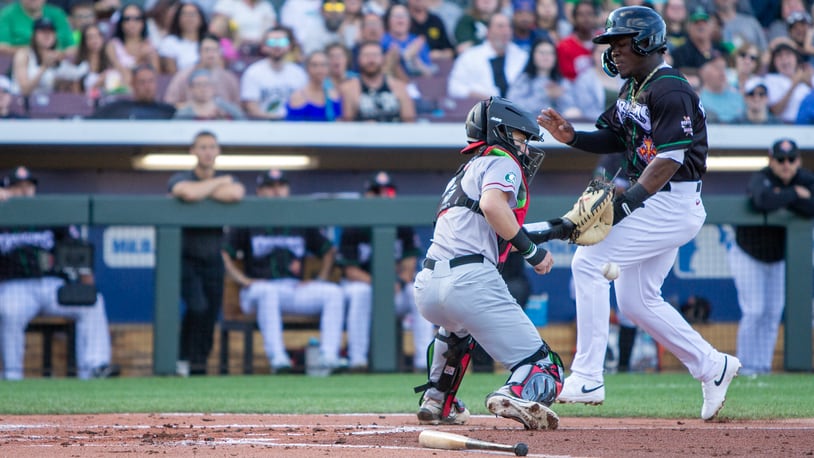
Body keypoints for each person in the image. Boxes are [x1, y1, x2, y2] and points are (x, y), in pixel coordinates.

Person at [537, 6, 740, 421]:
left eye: (621, 42)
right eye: (611, 43)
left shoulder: (669, 89)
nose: (613, 51)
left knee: (588, 262)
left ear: (648, 42)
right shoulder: (633, 86)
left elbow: (670, 158)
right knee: (636, 300)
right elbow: (615, 136)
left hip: (671, 198)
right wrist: (573, 137)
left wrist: (627, 202)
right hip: (659, 198)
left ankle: (589, 374)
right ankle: (712, 365)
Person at [412, 96, 563, 429]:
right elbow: (495, 207)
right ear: (503, 133)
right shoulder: (501, 160)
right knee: (545, 368)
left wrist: (559, 228)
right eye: (522, 139)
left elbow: (497, 221)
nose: (525, 149)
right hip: (471, 281)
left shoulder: (466, 170)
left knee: (455, 332)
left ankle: (437, 400)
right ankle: (515, 392)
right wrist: (533, 253)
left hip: (428, 285)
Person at [221, 170, 347, 374]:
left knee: (333, 293)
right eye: (270, 187)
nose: (276, 191)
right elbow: (225, 253)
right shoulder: (247, 219)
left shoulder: (299, 219)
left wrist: (320, 279)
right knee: (267, 292)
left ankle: (328, 356)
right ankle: (278, 359)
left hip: (291, 288)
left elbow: (328, 251)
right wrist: (243, 280)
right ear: (260, 191)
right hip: (256, 291)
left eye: (281, 186)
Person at [0, 166, 118, 380]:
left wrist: (85, 280)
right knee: (9, 312)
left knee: (91, 302)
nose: (24, 191)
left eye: (28, 186)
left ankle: (95, 367)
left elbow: (77, 248)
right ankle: (12, 374)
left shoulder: (48, 212)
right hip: (13, 286)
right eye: (17, 187)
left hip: (50, 284)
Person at [728, 138, 814, 376]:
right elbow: (762, 200)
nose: (786, 164)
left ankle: (762, 367)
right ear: (771, 160)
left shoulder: (806, 178)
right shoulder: (762, 177)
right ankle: (744, 367)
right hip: (749, 254)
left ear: (798, 160)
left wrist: (782, 195)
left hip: (778, 258)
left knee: (773, 312)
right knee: (755, 310)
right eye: (780, 159)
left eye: (790, 159)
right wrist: (796, 194)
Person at [338, 171, 435, 373]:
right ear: (367, 194)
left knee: (415, 291)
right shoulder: (353, 226)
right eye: (376, 191)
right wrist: (380, 284)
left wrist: (399, 281)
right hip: (365, 289)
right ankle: (357, 360)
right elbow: (350, 270)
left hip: (394, 291)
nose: (382, 195)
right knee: (359, 292)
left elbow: (409, 264)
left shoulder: (403, 225)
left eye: (387, 191)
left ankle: (422, 361)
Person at [168, 130, 245, 376]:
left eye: (212, 147)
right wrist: (218, 184)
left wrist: (207, 190)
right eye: (202, 147)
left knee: (210, 313)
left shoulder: (226, 183)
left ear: (218, 151)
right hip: (185, 257)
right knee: (197, 307)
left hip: (213, 258)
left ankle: (199, 364)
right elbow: (186, 192)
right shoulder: (182, 177)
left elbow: (235, 193)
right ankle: (182, 358)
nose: (208, 152)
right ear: (193, 151)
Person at [447, 13, 527, 99]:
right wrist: (477, 95)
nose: (506, 31)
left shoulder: (522, 56)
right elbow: (454, 87)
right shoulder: (470, 56)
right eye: (500, 26)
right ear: (488, 31)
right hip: (482, 107)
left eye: (509, 27)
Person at [340, 40, 416, 122]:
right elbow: (346, 125)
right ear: (358, 59)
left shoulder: (400, 87)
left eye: (375, 55)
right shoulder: (348, 89)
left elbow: (410, 122)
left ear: (383, 58)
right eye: (366, 55)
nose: (371, 60)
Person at [240, 26, 306, 120]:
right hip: (263, 126)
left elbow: (303, 103)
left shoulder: (299, 73)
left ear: (289, 46)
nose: (277, 46)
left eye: (282, 42)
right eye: (272, 42)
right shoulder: (253, 73)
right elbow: (251, 108)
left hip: (294, 125)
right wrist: (276, 119)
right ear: (263, 46)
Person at [506, 38, 579, 118]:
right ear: (533, 55)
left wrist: (560, 98)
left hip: (556, 127)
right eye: (541, 53)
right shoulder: (524, 80)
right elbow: (512, 106)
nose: (546, 57)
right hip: (529, 126)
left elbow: (572, 108)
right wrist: (544, 95)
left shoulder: (562, 82)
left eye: (550, 53)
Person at [163, 34, 241, 108]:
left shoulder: (229, 78)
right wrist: (195, 108)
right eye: (207, 50)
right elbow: (169, 104)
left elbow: (237, 108)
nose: (211, 55)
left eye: (215, 50)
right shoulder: (183, 76)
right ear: (198, 52)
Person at [88, 64, 176, 119]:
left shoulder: (168, 111)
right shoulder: (117, 108)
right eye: (142, 82)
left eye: (151, 81)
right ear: (133, 84)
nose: (147, 86)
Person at [104, 4, 160, 88]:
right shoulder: (113, 46)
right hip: (118, 90)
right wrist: (139, 59)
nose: (131, 23)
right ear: (121, 23)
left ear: (143, 22)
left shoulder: (149, 45)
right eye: (127, 19)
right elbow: (124, 75)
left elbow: (156, 77)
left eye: (136, 19)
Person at [0, 0, 76, 57]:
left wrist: (58, 55)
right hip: (18, 66)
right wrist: (36, 53)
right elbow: (2, 47)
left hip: (57, 64)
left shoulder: (58, 14)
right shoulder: (6, 15)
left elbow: (72, 47)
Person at [285, 50, 342, 121]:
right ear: (307, 68)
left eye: (323, 65)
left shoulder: (333, 95)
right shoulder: (298, 97)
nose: (319, 69)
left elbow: (338, 126)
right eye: (314, 65)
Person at [173, 68, 245, 120]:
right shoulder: (184, 113)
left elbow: (243, 125)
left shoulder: (227, 108)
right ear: (191, 89)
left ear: (213, 87)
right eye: (198, 85)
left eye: (207, 84)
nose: (203, 89)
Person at [157, 1, 208, 75]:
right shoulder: (170, 42)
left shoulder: (208, 41)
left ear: (201, 18)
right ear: (178, 18)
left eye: (193, 14)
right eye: (185, 14)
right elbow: (172, 74)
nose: (189, 18)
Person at [555, 0, 597, 81]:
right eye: (581, 14)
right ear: (574, 19)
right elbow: (567, 78)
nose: (586, 18)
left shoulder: (603, 42)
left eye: (589, 14)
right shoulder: (564, 46)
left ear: (596, 17)